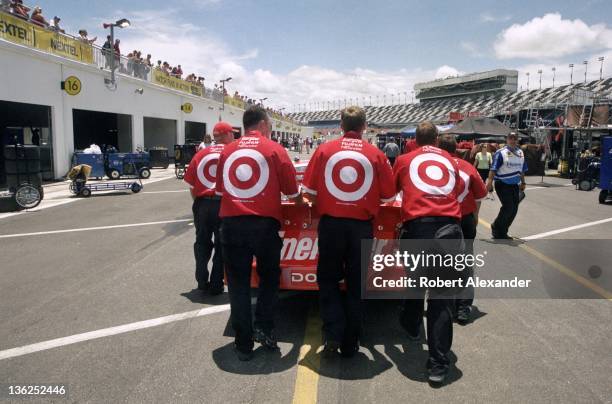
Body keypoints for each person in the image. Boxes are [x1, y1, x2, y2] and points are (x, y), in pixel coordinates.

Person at [301, 106, 395, 357]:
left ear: (340, 126)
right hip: (361, 227)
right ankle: (351, 341)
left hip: (331, 225)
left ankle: (332, 333)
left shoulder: (323, 150)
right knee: (356, 284)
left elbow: (307, 191)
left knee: (328, 279)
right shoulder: (376, 154)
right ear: (364, 127)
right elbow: (388, 196)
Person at [216, 106, 302, 361]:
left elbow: (220, 192)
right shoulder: (275, 149)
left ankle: (243, 344)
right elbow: (292, 192)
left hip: (231, 225)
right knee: (269, 278)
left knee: (238, 284)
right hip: (264, 227)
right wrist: (301, 201)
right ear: (264, 124)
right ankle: (264, 328)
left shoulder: (228, 151)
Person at [393, 122, 464, 384]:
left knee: (414, 283)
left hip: (417, 229)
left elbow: (390, 192)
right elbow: (454, 191)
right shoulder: (451, 160)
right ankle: (438, 363)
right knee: (441, 299)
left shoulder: (403, 159)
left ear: (415, 140)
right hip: (448, 230)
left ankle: (411, 325)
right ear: (436, 139)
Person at [437, 134, 487, 325]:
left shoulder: (435, 165)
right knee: (465, 263)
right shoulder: (468, 167)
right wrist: (475, 217)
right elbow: (480, 195)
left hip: (442, 220)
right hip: (464, 219)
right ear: (456, 148)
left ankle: (444, 303)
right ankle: (464, 306)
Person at [183, 122, 234, 295]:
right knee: (222, 245)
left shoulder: (201, 154)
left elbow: (190, 184)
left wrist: (199, 203)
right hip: (223, 203)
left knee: (202, 242)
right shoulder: (232, 153)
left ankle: (201, 279)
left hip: (202, 203)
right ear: (227, 135)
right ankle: (216, 282)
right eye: (232, 133)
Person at [486, 132, 527, 239]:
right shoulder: (500, 153)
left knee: (514, 209)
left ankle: (503, 232)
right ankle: (496, 227)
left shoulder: (520, 153)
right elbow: (493, 169)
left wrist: (523, 182)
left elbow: (522, 169)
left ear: (517, 140)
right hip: (502, 184)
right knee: (508, 207)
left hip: (515, 185)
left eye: (515, 138)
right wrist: (489, 182)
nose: (513, 140)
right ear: (507, 140)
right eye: (510, 138)